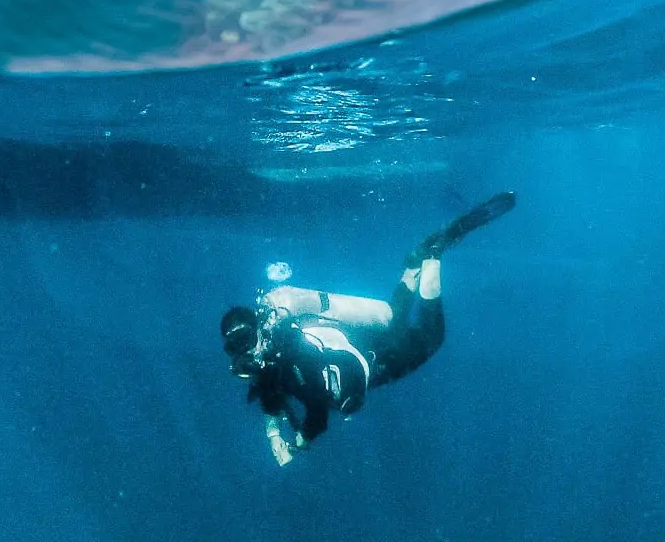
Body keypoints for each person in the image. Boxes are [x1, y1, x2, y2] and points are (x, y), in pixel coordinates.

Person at [220, 191, 516, 465]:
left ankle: (434, 254)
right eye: (234, 347)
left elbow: (318, 415)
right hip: (361, 339)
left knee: (431, 337)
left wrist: (296, 447)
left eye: (245, 340)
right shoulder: (271, 360)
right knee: (394, 319)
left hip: (376, 359)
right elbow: (270, 395)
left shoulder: (291, 352)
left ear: (260, 329)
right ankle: (415, 264)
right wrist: (273, 436)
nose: (243, 351)